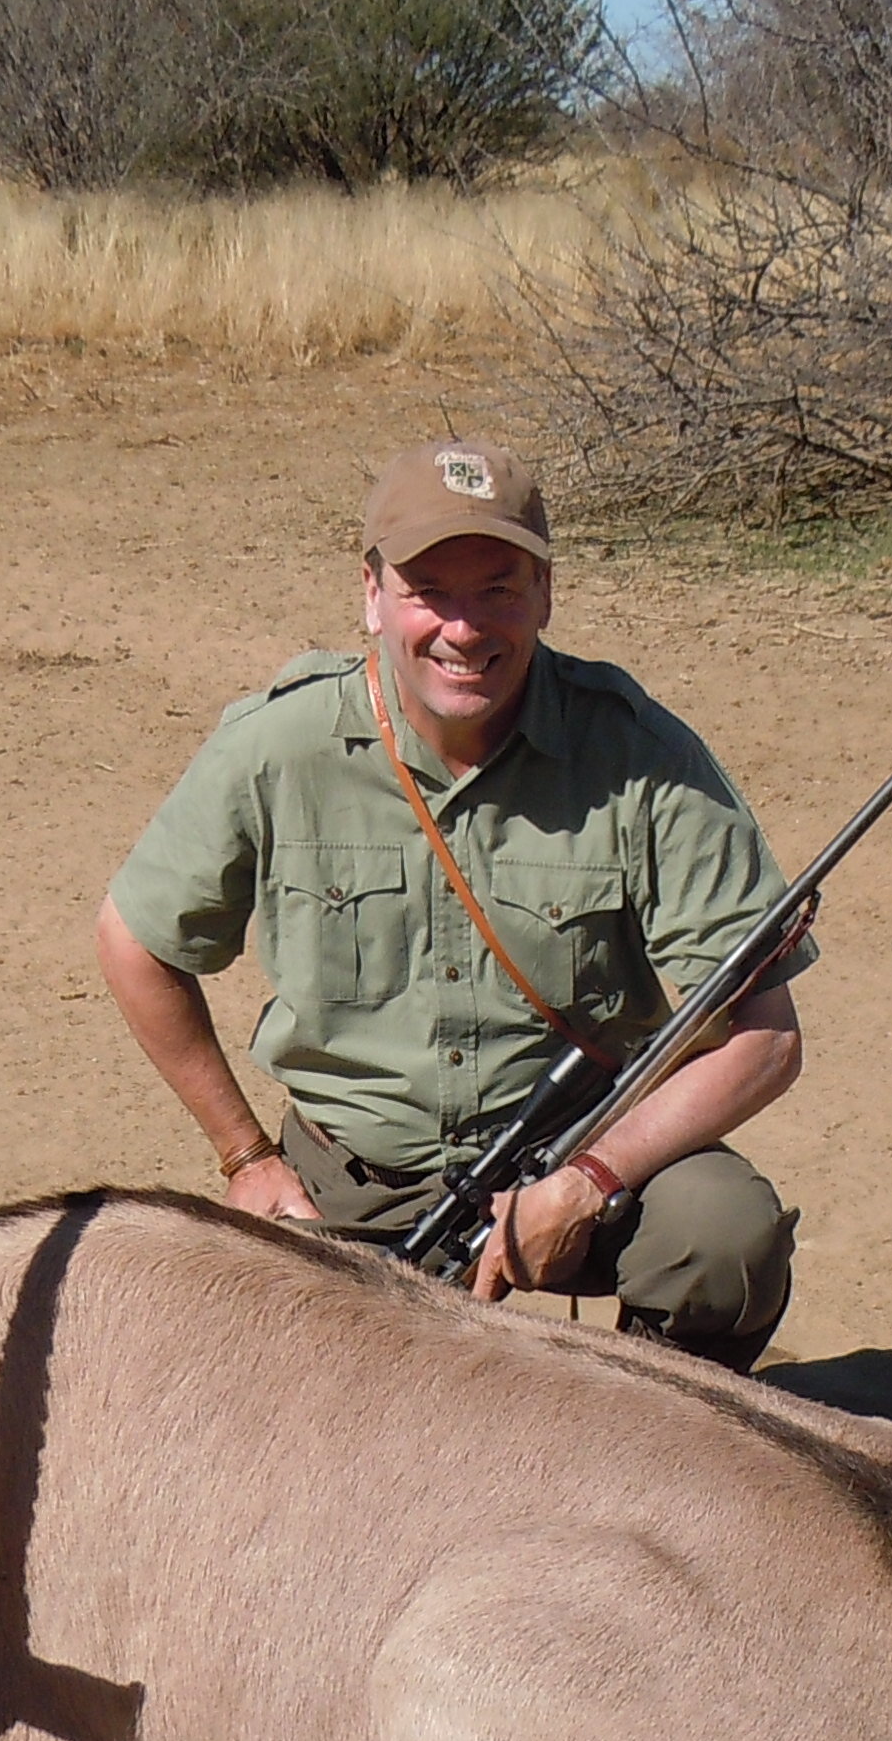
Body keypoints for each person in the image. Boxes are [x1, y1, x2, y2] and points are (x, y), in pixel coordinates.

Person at [97, 433, 807, 1366]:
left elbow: (765, 1035)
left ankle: (651, 1437)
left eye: (498, 590)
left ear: (545, 596)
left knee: (723, 1240)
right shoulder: (279, 746)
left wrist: (591, 1179)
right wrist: (245, 1158)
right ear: (372, 595)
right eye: (430, 592)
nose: (464, 630)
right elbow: (134, 940)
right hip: (350, 1184)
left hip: (579, 1162)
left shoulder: (644, 756)